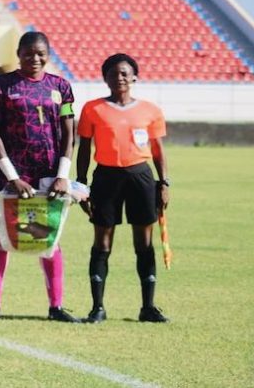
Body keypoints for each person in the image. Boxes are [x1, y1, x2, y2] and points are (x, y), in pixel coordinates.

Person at [0, 31, 80, 324]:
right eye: (28, 53)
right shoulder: (0, 86)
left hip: (48, 175)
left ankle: (56, 306)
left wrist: (62, 175)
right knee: (1, 238)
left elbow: (69, 132)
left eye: (40, 53)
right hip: (11, 176)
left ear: (48, 55)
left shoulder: (61, 87)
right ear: (18, 54)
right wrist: (11, 176)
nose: (34, 58)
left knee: (48, 238)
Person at [75, 53, 170, 323]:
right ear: (105, 78)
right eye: (113, 73)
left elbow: (157, 149)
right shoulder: (93, 109)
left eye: (125, 73)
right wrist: (81, 183)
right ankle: (98, 308)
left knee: (144, 242)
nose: (120, 77)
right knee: (102, 241)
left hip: (141, 177)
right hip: (106, 178)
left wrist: (164, 182)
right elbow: (84, 148)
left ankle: (148, 307)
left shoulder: (150, 110)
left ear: (134, 77)